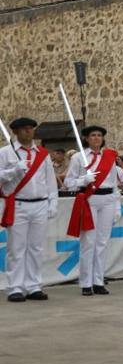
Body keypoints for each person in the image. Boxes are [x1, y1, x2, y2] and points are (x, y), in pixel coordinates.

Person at [61, 124, 123, 296]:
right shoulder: (78, 158)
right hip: (89, 199)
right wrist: (83, 180)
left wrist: (117, 205)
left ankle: (98, 280)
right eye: (93, 135)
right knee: (88, 242)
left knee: (102, 243)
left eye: (99, 135)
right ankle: (86, 283)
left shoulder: (110, 157)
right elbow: (68, 182)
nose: (96, 138)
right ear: (87, 139)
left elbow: (114, 184)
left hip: (108, 200)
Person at [1, 117, 57, 302]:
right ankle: (15, 287)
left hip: (40, 203)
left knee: (36, 247)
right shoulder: (6, 153)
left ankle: (33, 285)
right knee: (16, 248)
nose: (28, 132)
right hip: (18, 204)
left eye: (31, 128)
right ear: (15, 132)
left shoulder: (42, 153)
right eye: (24, 129)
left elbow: (50, 180)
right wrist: (14, 170)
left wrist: (53, 203)